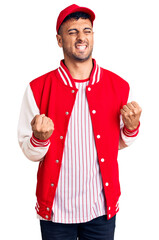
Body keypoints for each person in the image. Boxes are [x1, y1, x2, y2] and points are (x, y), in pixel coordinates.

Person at [18, 4, 142, 240]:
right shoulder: (37, 89)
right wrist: (39, 139)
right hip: (55, 213)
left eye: (87, 30)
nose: (81, 37)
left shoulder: (119, 86)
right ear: (59, 39)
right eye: (72, 32)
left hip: (100, 210)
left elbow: (118, 143)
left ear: (93, 36)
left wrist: (131, 127)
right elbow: (29, 152)